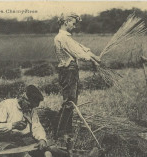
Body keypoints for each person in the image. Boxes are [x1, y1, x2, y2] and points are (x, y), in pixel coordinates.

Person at [54, 12, 101, 152]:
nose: (74, 27)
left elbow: (81, 48)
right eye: (73, 23)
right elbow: (79, 53)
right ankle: (61, 133)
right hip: (69, 70)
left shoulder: (65, 37)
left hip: (69, 70)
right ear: (66, 22)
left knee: (70, 101)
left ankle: (65, 131)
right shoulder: (63, 37)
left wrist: (94, 57)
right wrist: (92, 59)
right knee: (70, 102)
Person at [0, 85, 52, 157]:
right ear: (23, 99)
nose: (30, 109)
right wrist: (13, 125)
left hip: (23, 141)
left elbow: (37, 126)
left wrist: (42, 139)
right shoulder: (6, 105)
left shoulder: (31, 109)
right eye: (29, 106)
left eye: (32, 107)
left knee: (47, 152)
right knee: (24, 155)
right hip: (4, 141)